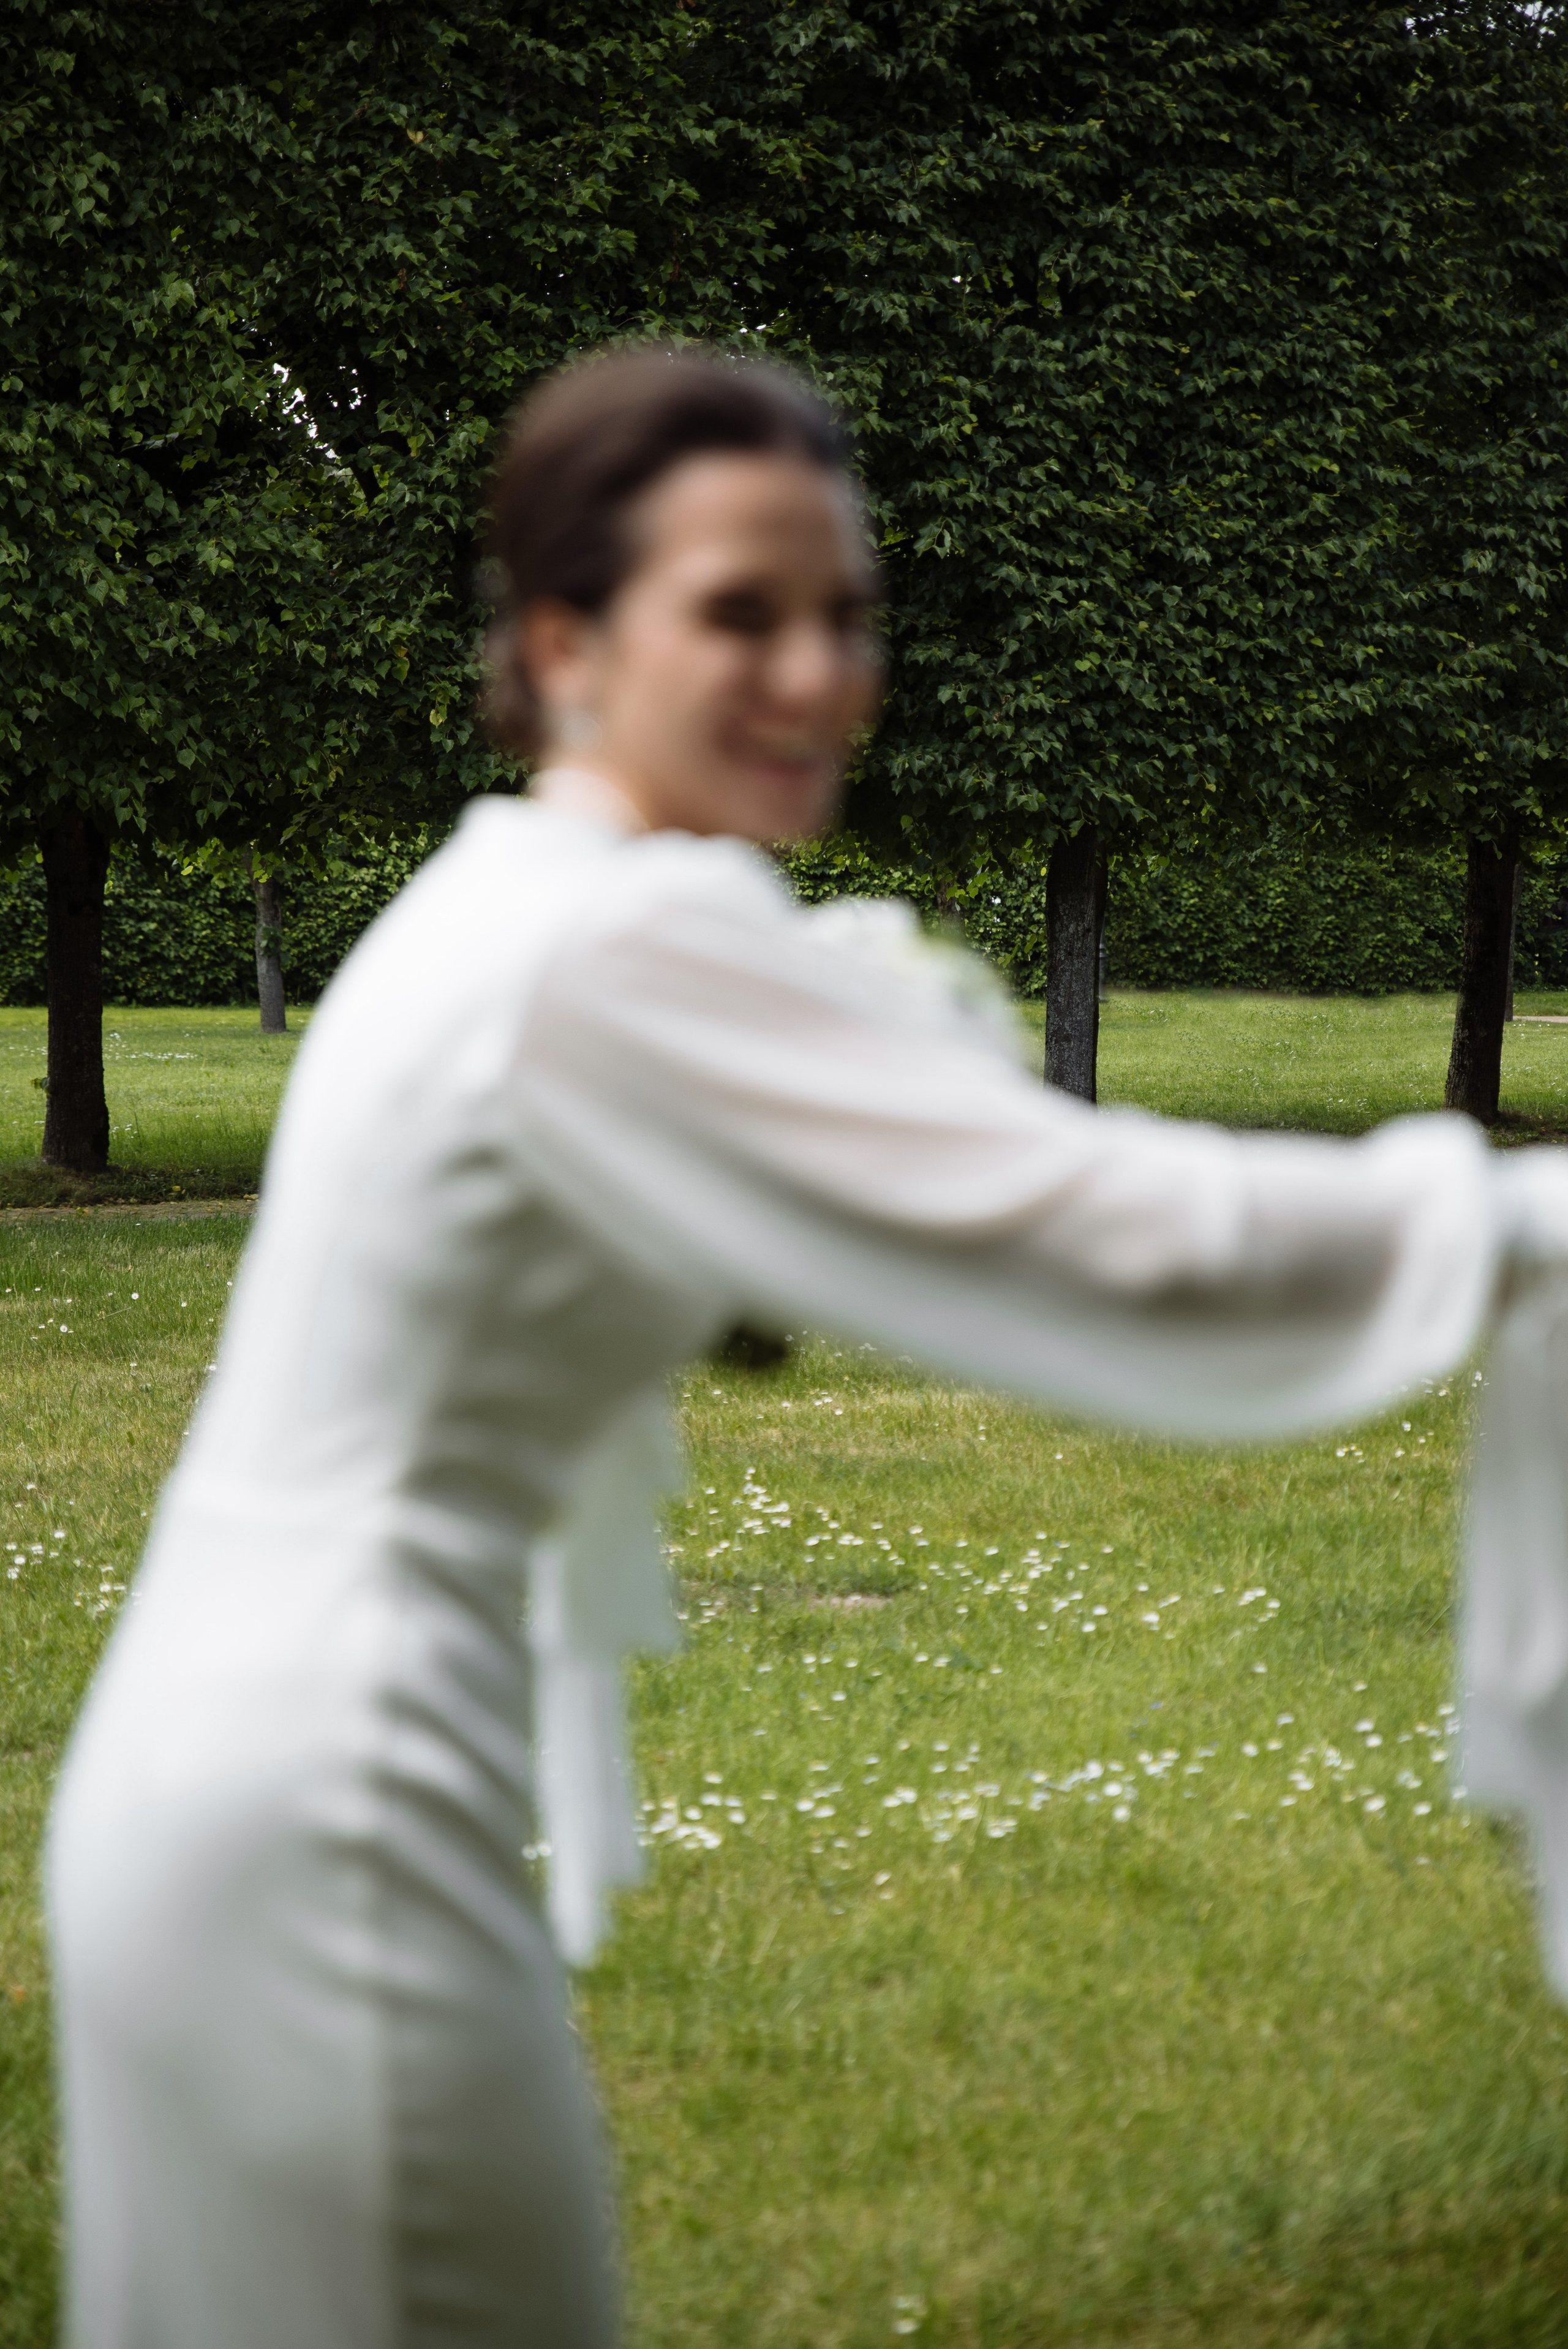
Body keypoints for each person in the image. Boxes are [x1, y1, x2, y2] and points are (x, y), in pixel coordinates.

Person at [45, 344, 1568, 2349]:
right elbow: (1119, 1241)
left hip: (233, 1781)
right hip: (320, 1818)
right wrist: (1524, 1217)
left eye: (847, 614)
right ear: (566, 639)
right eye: (740, 614)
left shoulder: (531, 896)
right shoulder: (606, 946)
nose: (819, 673)